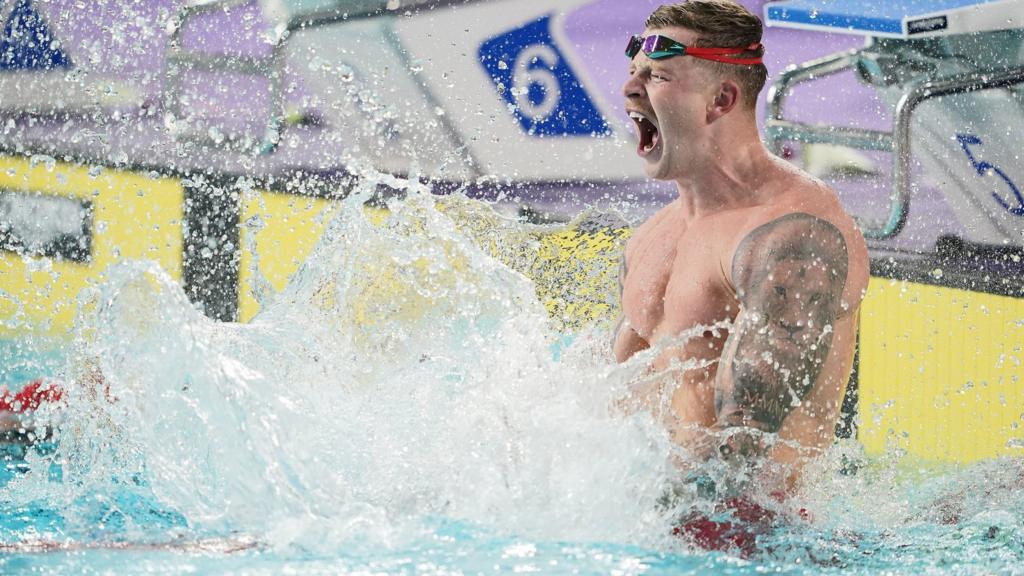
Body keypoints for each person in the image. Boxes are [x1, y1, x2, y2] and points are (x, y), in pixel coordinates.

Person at [614, 0, 870, 501]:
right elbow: (613, 403)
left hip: (763, 539)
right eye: (634, 72)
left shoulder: (793, 236)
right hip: (666, 519)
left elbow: (744, 449)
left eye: (658, 77)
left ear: (721, 100)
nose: (629, 88)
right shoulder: (651, 237)